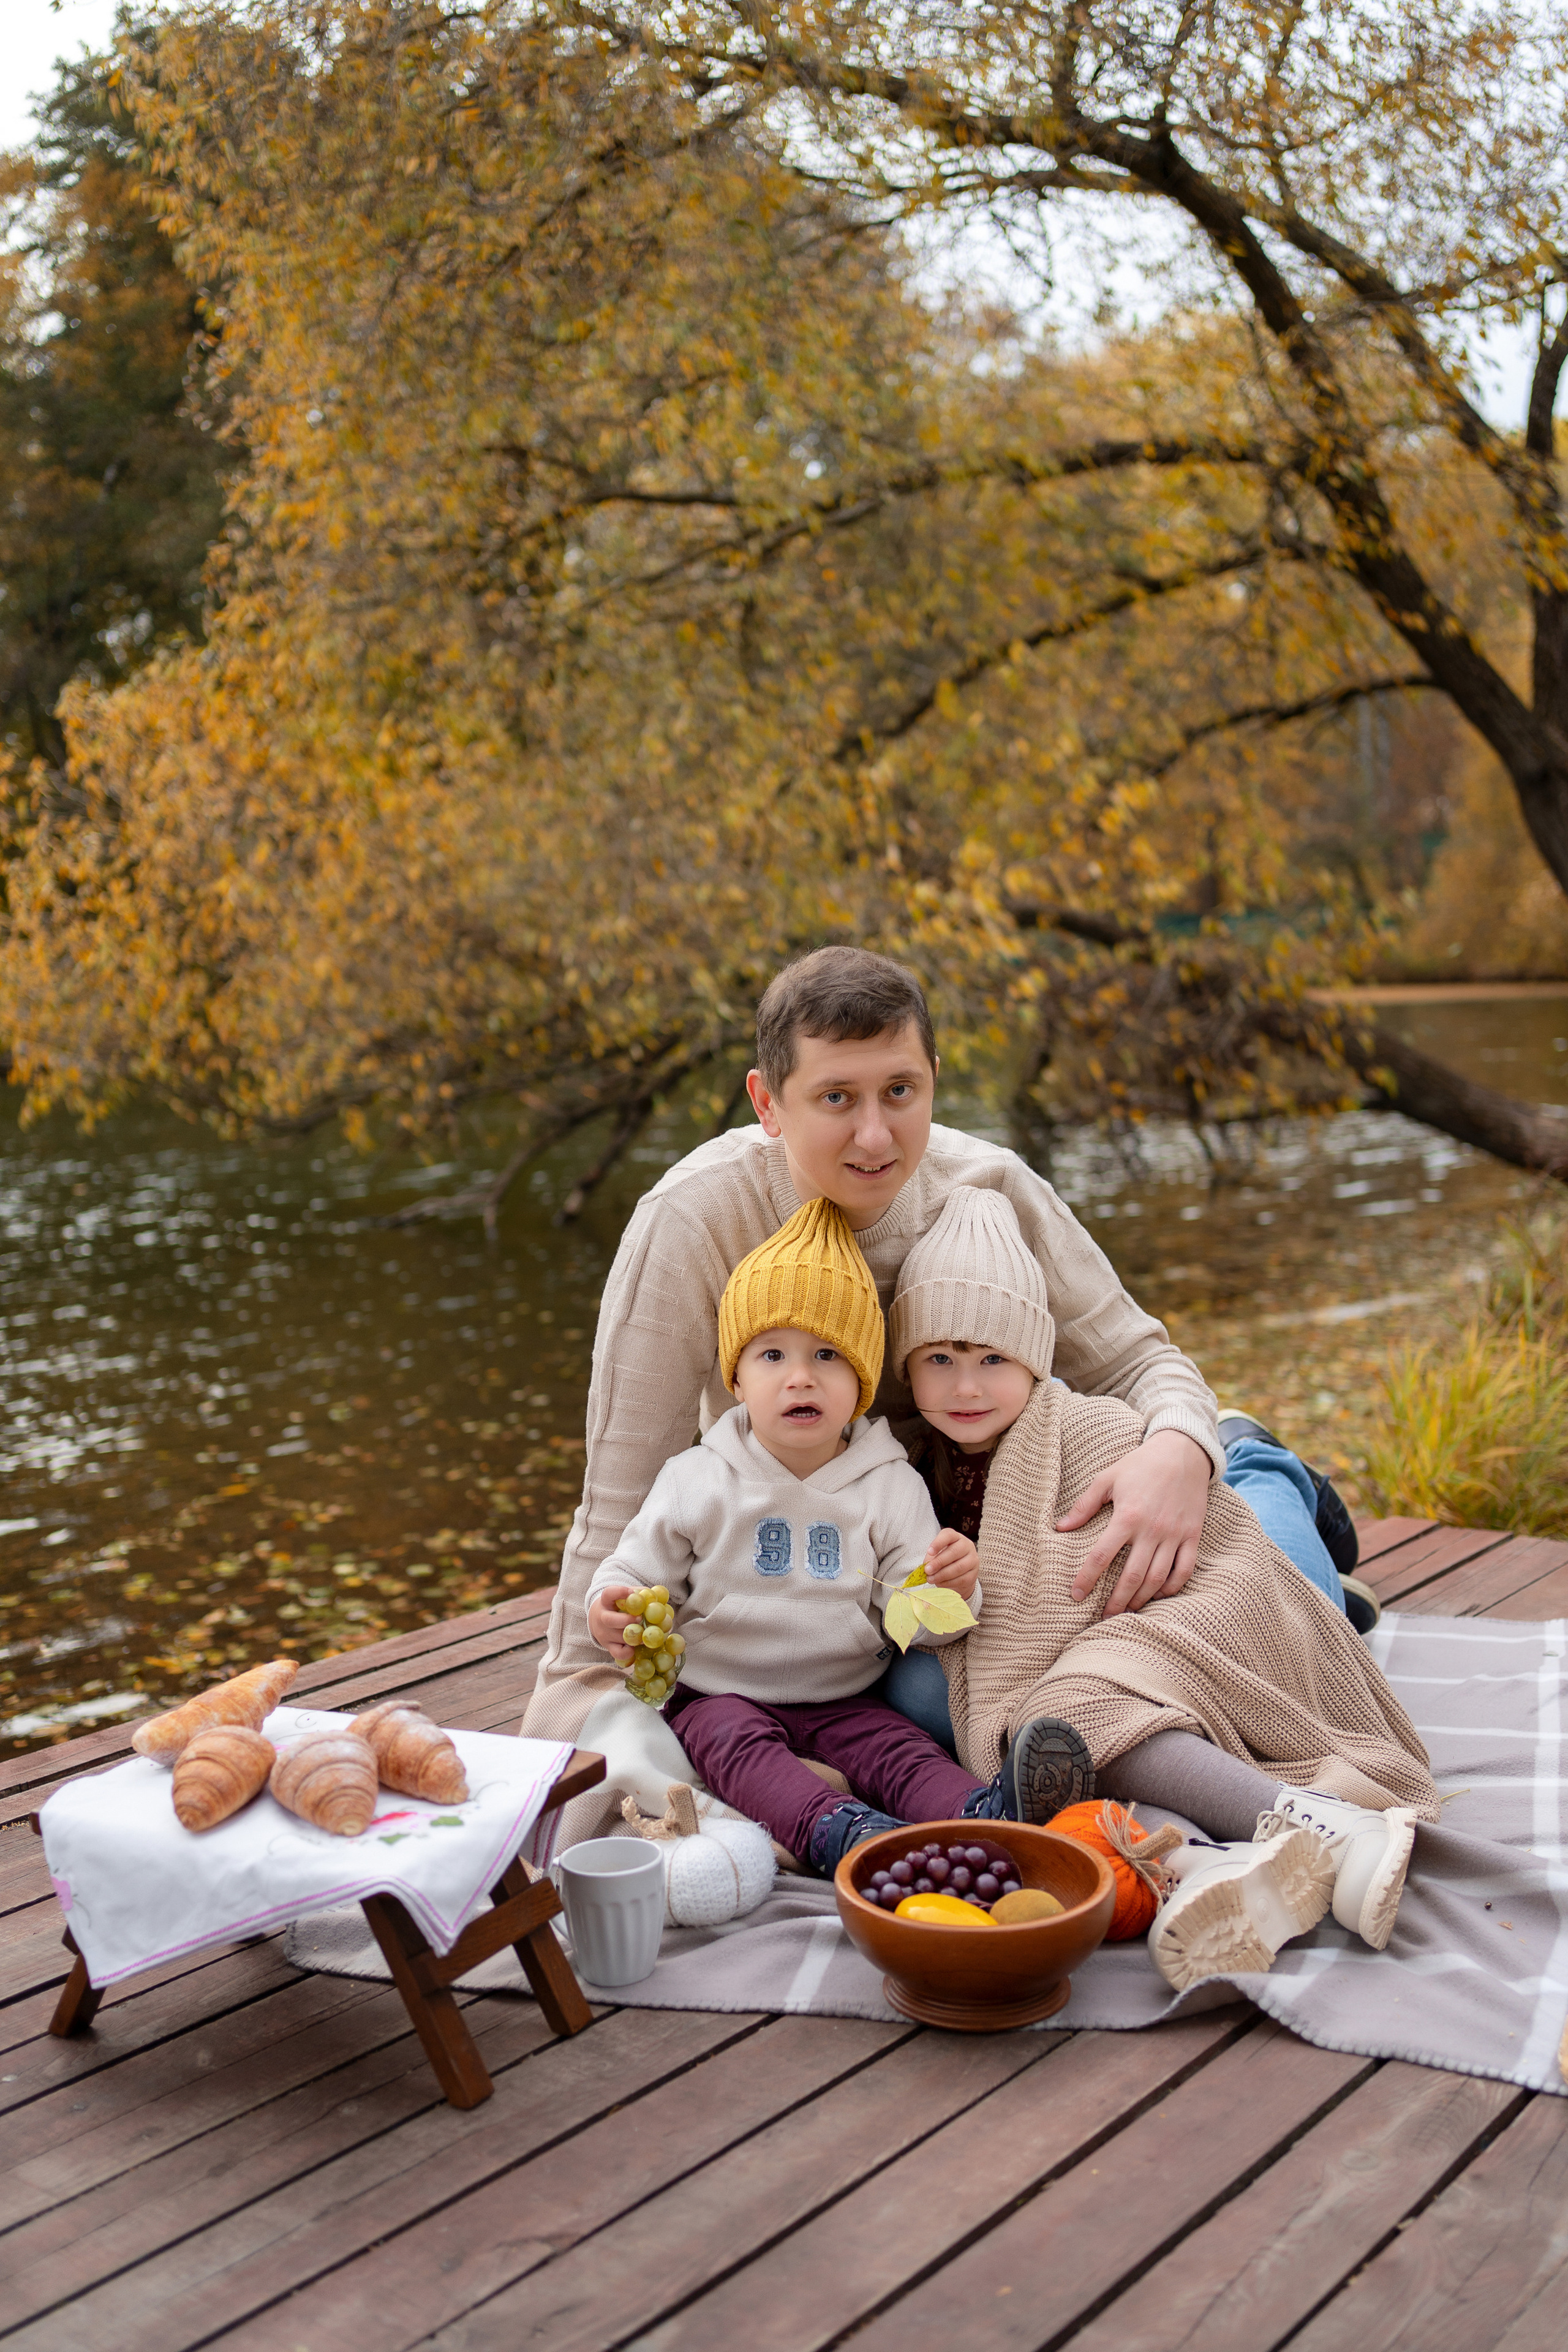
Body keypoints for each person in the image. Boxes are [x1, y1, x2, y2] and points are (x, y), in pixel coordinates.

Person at [885, 1186, 1441, 1990]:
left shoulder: (1085, 1427)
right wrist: (942, 1588)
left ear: (1033, 1359)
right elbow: (941, 1601)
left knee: (1086, 1697)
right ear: (909, 1367)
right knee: (1056, 1701)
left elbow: (1200, 1546)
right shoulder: (915, 1467)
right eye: (940, 1360)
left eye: (991, 1360)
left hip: (1198, 1595)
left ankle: (1255, 1457)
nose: (966, 1387)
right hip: (1119, 1634)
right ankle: (1247, 1856)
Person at [582, 1198, 1094, 1872]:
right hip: (721, 1692)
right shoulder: (697, 1478)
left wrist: (951, 1587)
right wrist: (613, 1603)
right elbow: (635, 1566)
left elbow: (921, 1623)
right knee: (736, 1750)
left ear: (861, 1383)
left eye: (827, 1354)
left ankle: (989, 1815)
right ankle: (838, 1832)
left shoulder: (887, 1483)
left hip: (848, 1695)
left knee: (902, 1752)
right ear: (736, 1377)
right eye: (772, 1355)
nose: (800, 1376)